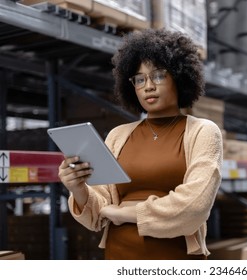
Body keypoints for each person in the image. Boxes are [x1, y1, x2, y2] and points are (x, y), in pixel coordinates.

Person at [58, 28, 223, 260]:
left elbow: (194, 206)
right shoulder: (118, 135)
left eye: (158, 76)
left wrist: (126, 214)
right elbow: (98, 215)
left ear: (179, 76)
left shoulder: (202, 131)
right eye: (139, 79)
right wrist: (77, 188)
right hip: (119, 256)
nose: (148, 86)